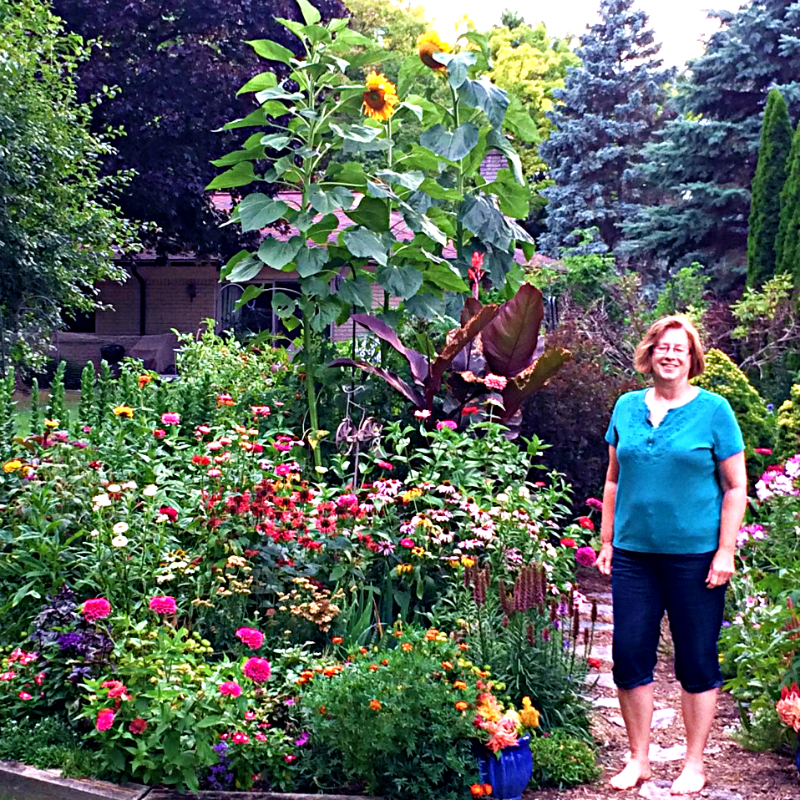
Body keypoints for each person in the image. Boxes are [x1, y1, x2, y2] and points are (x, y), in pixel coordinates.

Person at [596, 315, 747, 795]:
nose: (670, 355)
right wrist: (605, 541)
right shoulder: (625, 407)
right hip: (634, 558)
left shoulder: (714, 411)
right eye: (662, 347)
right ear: (649, 353)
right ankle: (638, 758)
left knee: (697, 660)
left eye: (679, 349)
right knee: (629, 656)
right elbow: (614, 479)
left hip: (696, 559)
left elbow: (736, 486)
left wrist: (726, 550)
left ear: (691, 358)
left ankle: (694, 763)